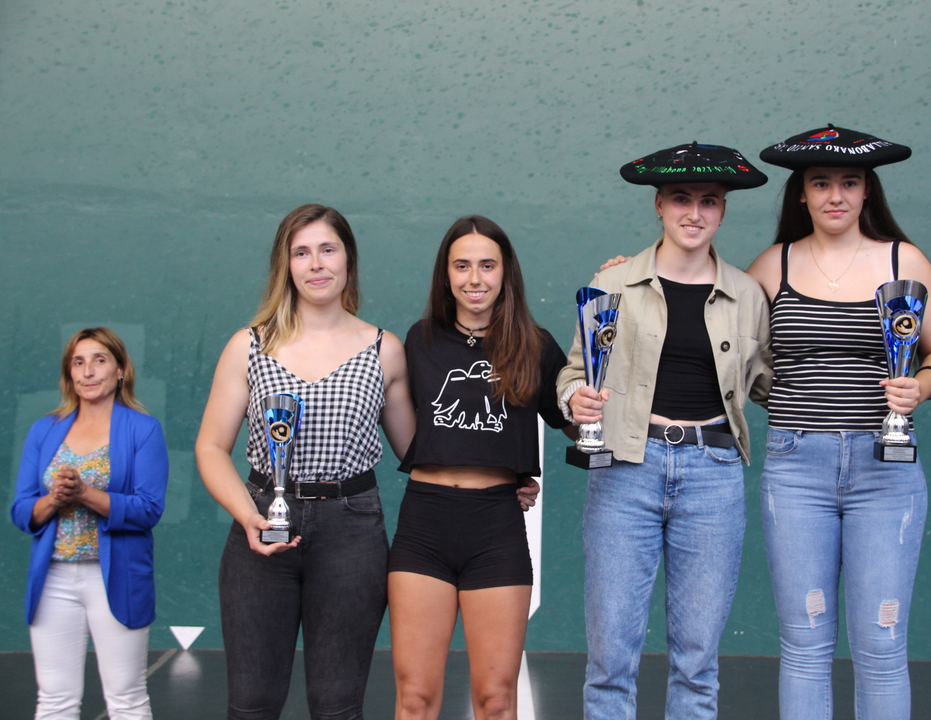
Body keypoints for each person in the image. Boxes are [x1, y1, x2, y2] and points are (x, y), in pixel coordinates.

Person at [747, 125, 931, 720]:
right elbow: (711, 325)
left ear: (868, 191)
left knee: (882, 646)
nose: (835, 195)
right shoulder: (771, 265)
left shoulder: (903, 260)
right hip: (796, 470)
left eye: (850, 182)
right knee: (804, 646)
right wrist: (625, 274)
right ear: (801, 193)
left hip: (885, 472)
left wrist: (921, 385)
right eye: (821, 183)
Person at [557, 143, 774, 720]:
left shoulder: (748, 295)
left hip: (713, 474)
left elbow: (771, 386)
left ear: (723, 210)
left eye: (709, 201)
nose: (694, 213)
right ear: (659, 205)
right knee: (610, 659)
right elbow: (575, 373)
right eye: (681, 199)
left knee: (697, 662)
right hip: (627, 470)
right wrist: (574, 398)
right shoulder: (612, 282)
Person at [195, 204, 414, 720]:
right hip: (260, 527)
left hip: (352, 533)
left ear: (348, 259)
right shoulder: (248, 346)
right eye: (301, 252)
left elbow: (418, 453)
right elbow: (210, 448)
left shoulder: (384, 349)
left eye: (327, 249)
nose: (316, 264)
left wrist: (502, 473)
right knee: (251, 705)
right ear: (285, 265)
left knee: (338, 708)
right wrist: (248, 515)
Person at [389, 215, 574, 720]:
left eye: (487, 265)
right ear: (445, 273)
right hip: (424, 525)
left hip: (496, 527)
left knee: (495, 700)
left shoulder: (535, 344)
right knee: (414, 698)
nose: (475, 278)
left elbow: (575, 425)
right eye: (462, 265)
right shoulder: (420, 340)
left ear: (506, 271)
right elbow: (418, 433)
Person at [11, 327, 168, 720]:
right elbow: (21, 511)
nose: (88, 371)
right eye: (78, 362)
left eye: (100, 360)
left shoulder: (143, 429)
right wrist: (55, 498)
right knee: (54, 700)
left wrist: (84, 493)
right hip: (53, 579)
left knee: (127, 699)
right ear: (69, 373)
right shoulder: (44, 430)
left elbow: (148, 509)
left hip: (116, 578)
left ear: (121, 369)